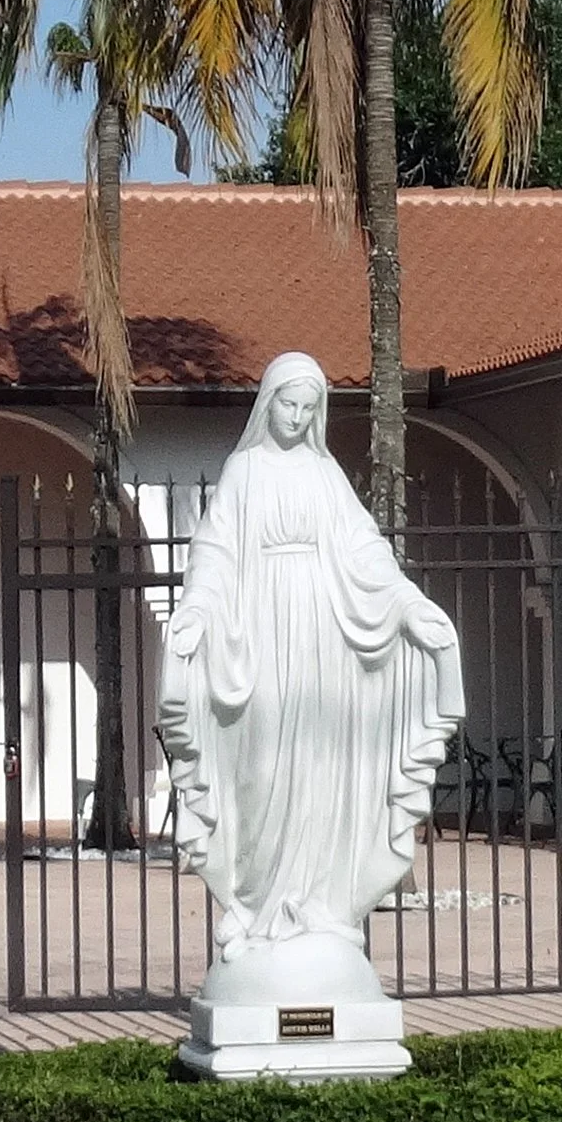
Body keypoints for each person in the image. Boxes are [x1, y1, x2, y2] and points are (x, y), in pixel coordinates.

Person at [159, 351, 465, 963]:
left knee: (320, 771)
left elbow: (365, 553)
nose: (296, 417)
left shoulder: (326, 478)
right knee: (264, 769)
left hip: (323, 637)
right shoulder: (243, 473)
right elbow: (214, 554)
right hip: (263, 636)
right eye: (286, 404)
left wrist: (406, 603)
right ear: (266, 402)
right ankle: (254, 904)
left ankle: (317, 909)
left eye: (307, 408)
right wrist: (195, 610)